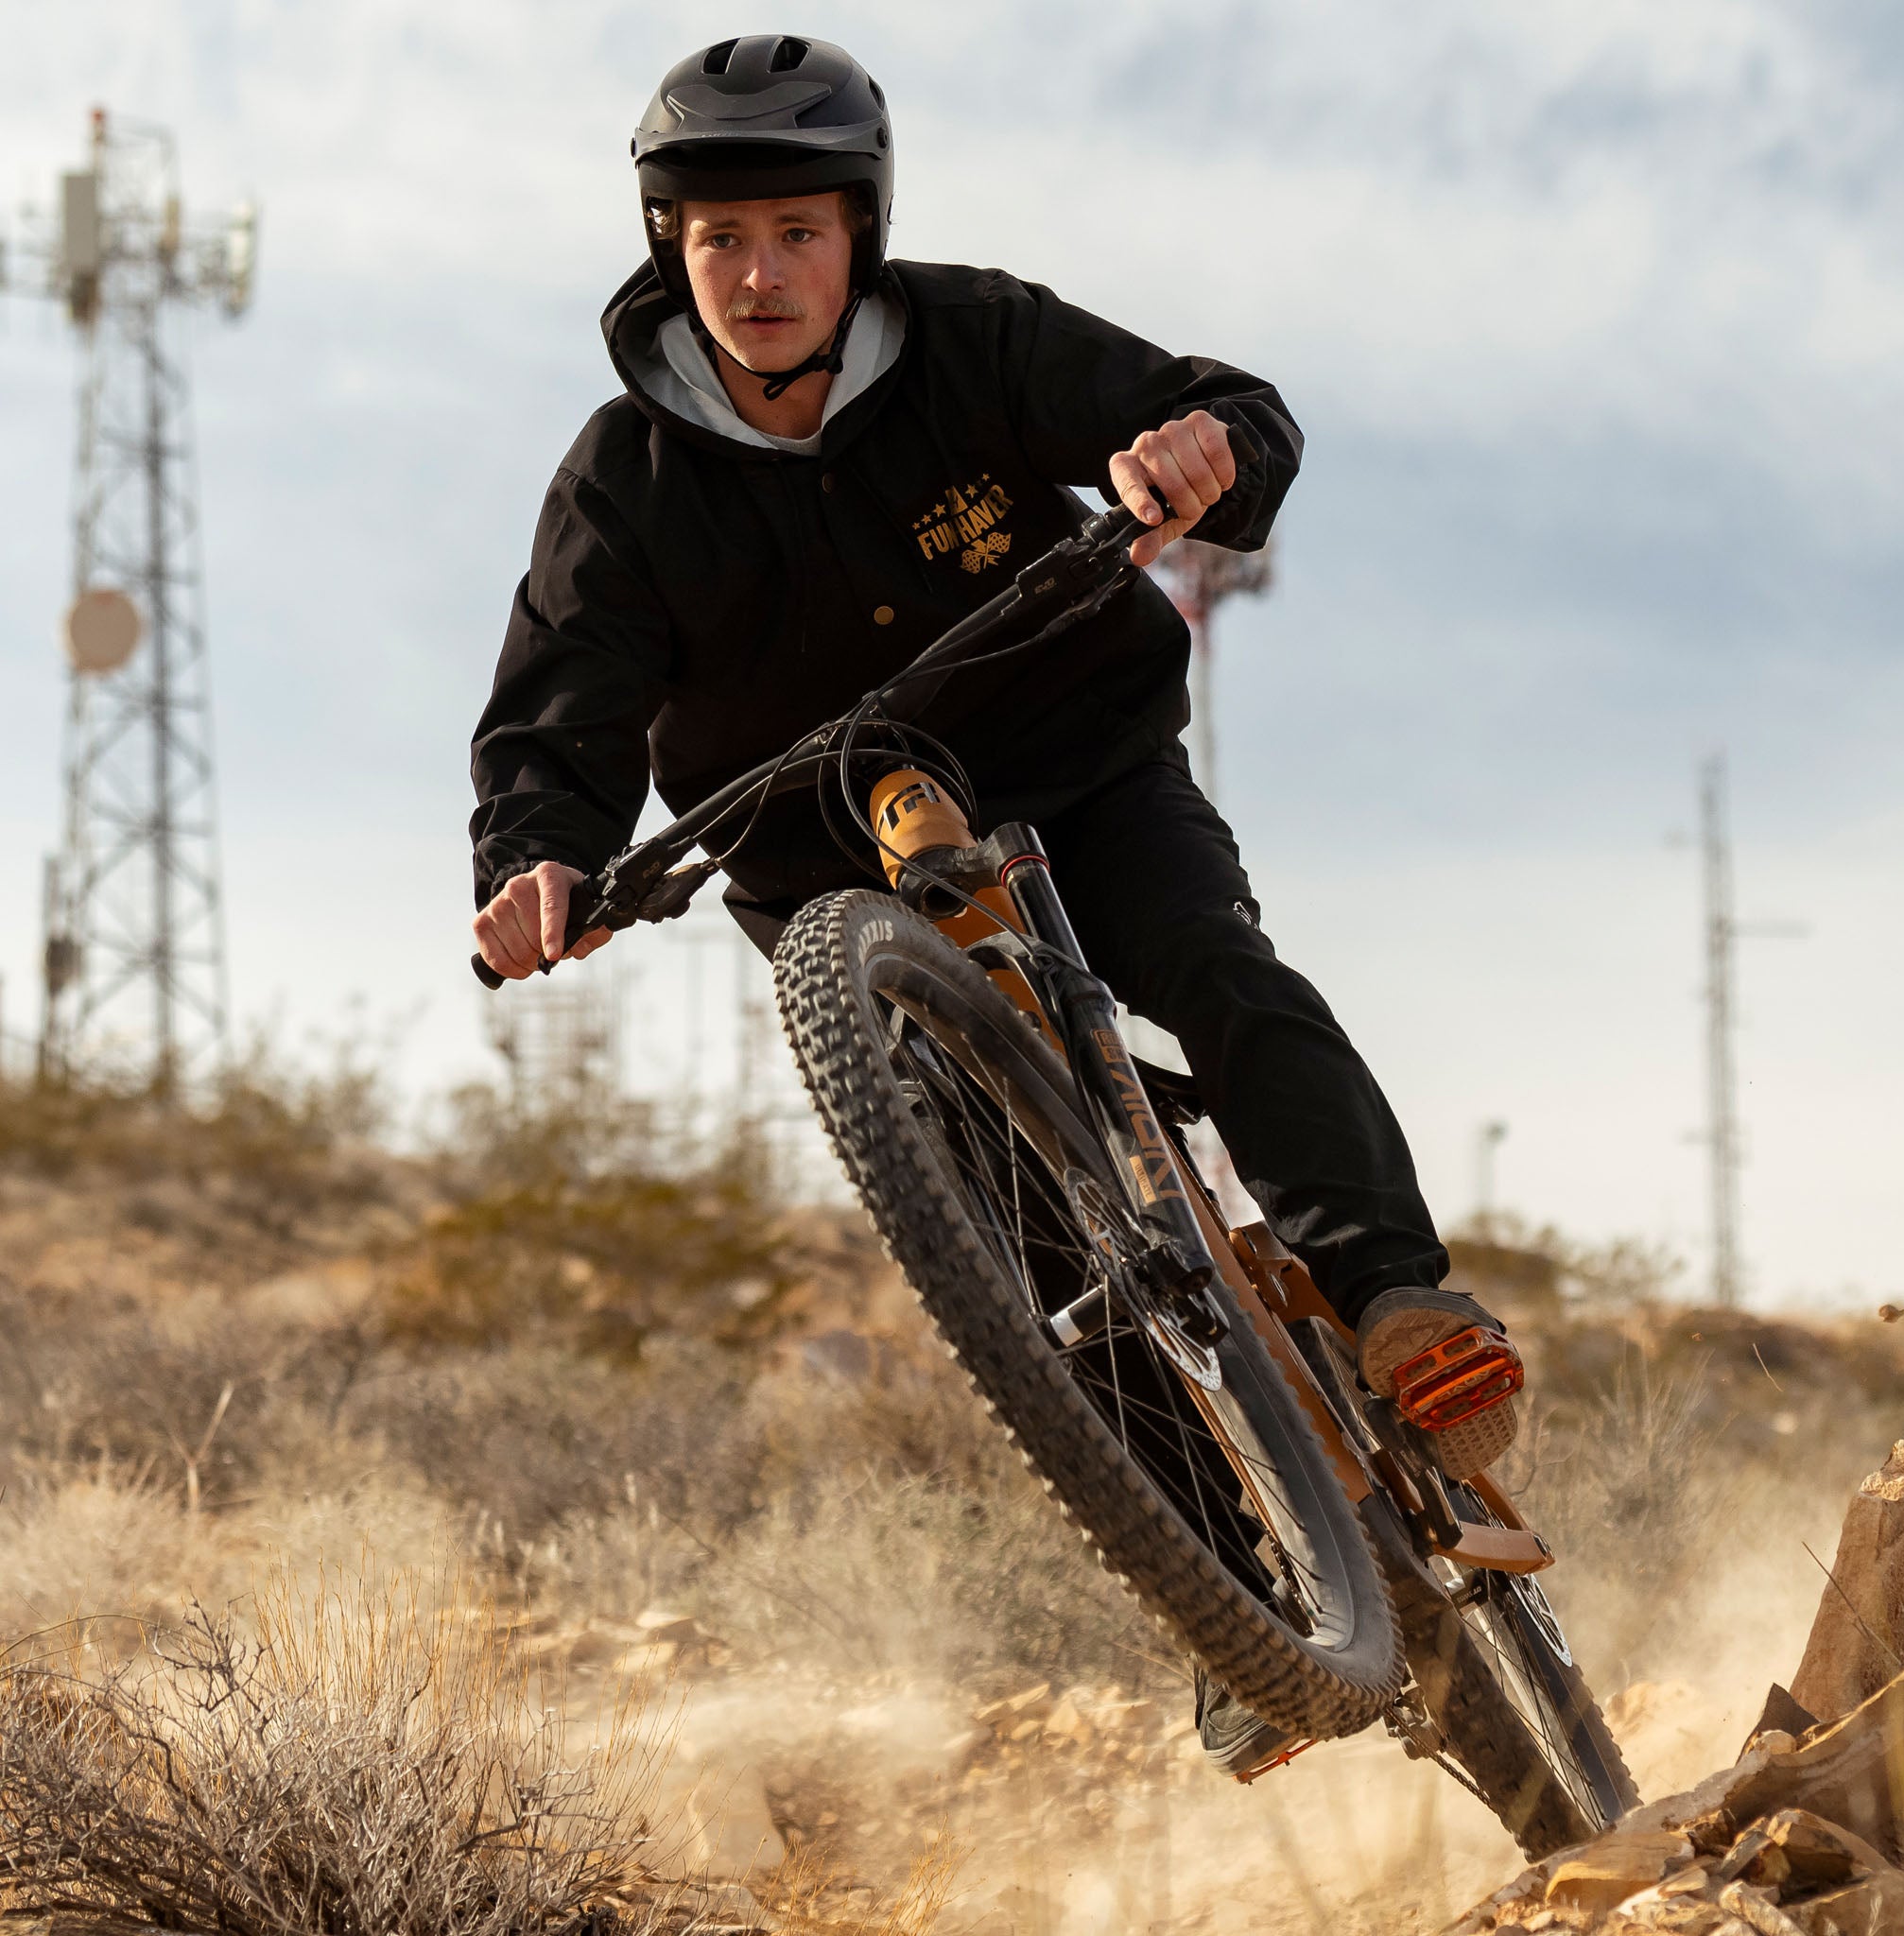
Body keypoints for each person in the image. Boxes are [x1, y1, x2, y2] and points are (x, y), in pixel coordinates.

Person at [469, 33, 1520, 1774]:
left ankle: (1400, 1301)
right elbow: (559, 711)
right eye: (720, 239)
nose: (758, 274)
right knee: (1027, 1242)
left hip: (1077, 763)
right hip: (825, 857)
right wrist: (536, 860)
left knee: (1209, 964)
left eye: (796, 233)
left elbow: (1229, 408)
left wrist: (1201, 451)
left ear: (858, 236)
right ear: (670, 249)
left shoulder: (972, 338)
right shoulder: (621, 479)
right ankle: (1237, 1599)